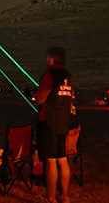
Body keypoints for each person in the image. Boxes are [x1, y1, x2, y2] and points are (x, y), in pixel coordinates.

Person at [35, 46, 75, 203]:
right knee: (62, 158)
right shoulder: (69, 76)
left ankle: (50, 197)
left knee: (51, 160)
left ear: (51, 59)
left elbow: (40, 98)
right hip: (64, 122)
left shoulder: (49, 76)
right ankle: (65, 195)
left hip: (49, 122)